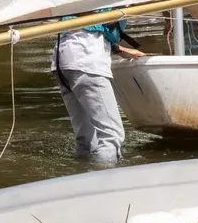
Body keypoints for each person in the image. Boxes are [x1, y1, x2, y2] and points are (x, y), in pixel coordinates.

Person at [52, 19, 143, 165]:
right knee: (111, 137)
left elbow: (86, 26)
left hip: (62, 62)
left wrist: (119, 49)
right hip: (87, 60)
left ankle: (81, 177)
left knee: (86, 140)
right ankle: (105, 182)